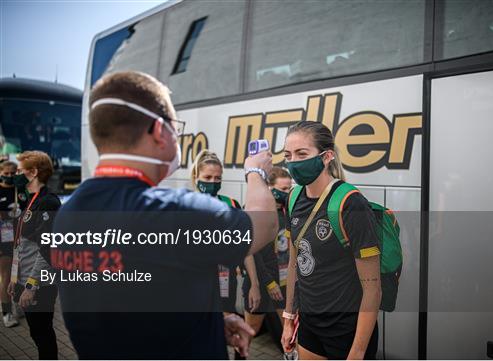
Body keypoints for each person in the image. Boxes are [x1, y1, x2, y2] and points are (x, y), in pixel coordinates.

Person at [53, 71, 278, 359]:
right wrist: (257, 172)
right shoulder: (177, 213)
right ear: (160, 132)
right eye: (176, 129)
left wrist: (210, 322)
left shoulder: (68, 213)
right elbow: (266, 225)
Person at [280, 121, 381, 360]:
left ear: (327, 157)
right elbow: (295, 264)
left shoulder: (350, 203)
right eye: (288, 155)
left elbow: (372, 288)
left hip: (347, 330)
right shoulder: (293, 198)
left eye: (302, 154)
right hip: (309, 325)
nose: (293, 162)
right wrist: (288, 318)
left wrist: (357, 352)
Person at [7, 151, 60, 359]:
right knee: (36, 333)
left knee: (43, 334)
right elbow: (22, 244)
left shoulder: (48, 202)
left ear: (34, 172)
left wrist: (30, 285)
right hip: (24, 277)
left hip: (38, 283)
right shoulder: (31, 200)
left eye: (19, 171)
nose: (15, 175)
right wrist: (14, 278)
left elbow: (47, 250)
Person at [190, 149, 241, 315]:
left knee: (225, 321)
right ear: (196, 177)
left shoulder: (231, 204)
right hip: (194, 279)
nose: (213, 182)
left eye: (217, 178)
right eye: (207, 178)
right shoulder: (185, 205)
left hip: (225, 277)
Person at [243, 167, 291, 338]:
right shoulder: (256, 210)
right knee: (250, 332)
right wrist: (268, 283)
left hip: (283, 283)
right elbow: (251, 253)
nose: (288, 192)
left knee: (289, 331)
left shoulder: (288, 211)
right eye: (283, 189)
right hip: (261, 282)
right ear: (270, 188)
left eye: (289, 188)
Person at [0, 161, 19, 327]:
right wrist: (6, 213)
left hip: (20, 238)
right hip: (3, 239)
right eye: (6, 174)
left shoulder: (19, 190)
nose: (9, 177)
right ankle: (6, 312)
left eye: (13, 174)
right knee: (6, 276)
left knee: (18, 274)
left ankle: (16, 303)